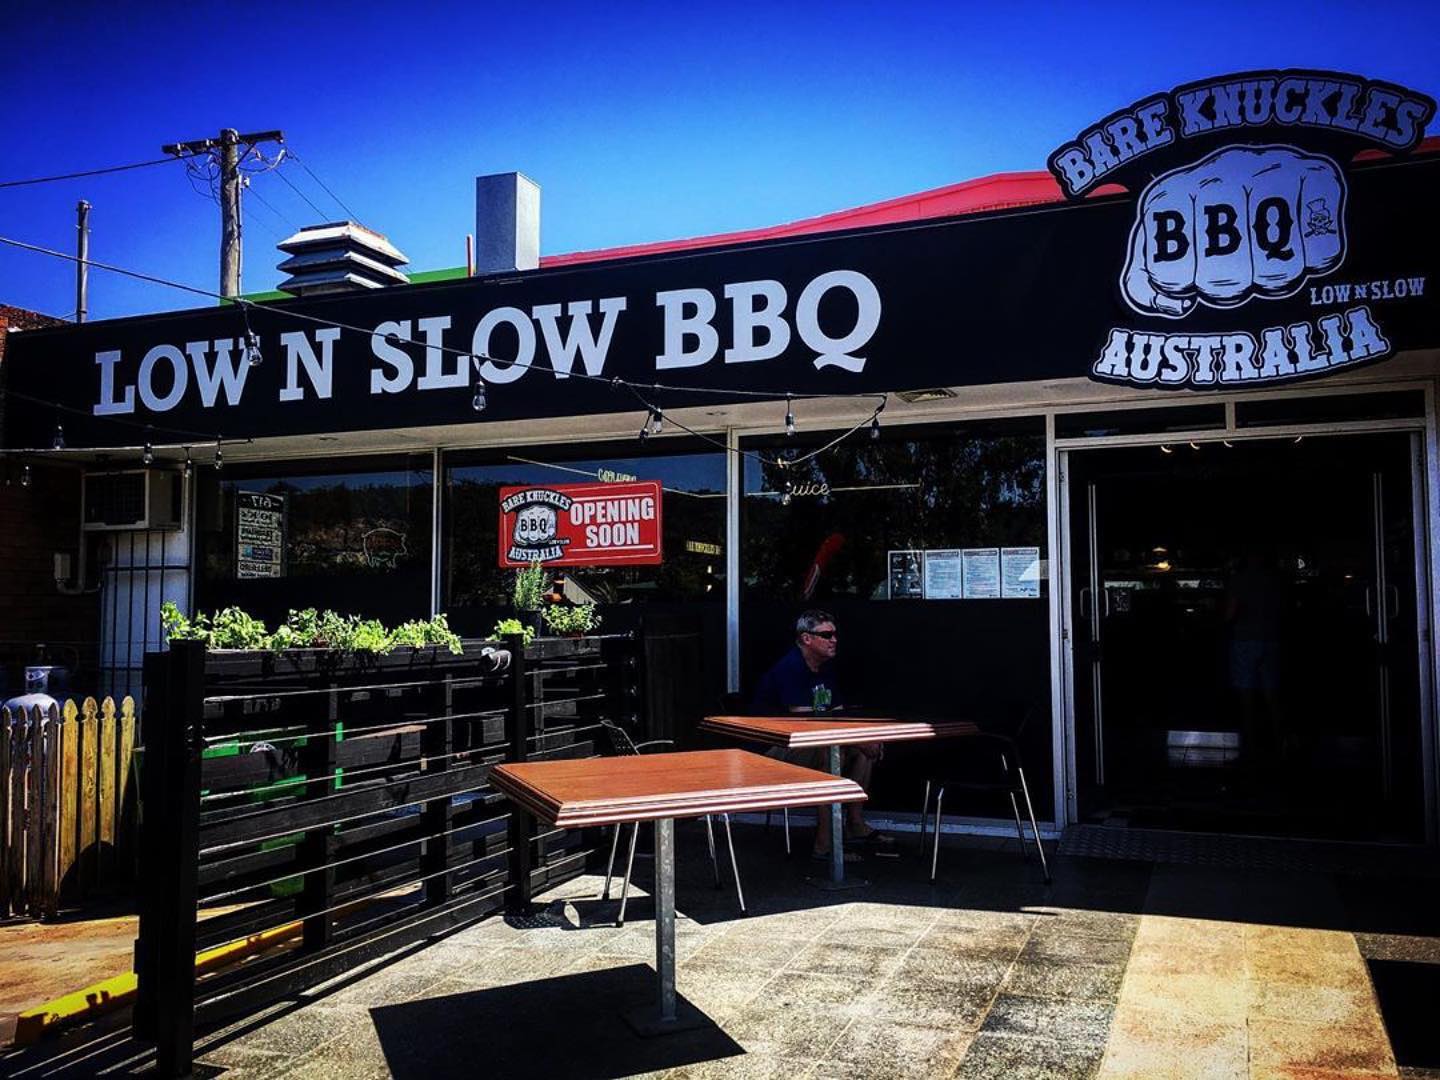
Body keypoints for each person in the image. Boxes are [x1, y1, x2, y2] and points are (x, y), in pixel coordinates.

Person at [753, 610, 890, 861]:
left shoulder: (824, 668)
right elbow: (805, 723)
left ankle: (855, 824)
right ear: (806, 638)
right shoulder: (791, 667)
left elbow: (839, 715)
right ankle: (824, 844)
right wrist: (858, 739)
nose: (834, 640)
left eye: (834, 634)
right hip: (775, 750)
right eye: (827, 635)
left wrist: (864, 739)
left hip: (810, 742)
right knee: (831, 754)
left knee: (862, 751)